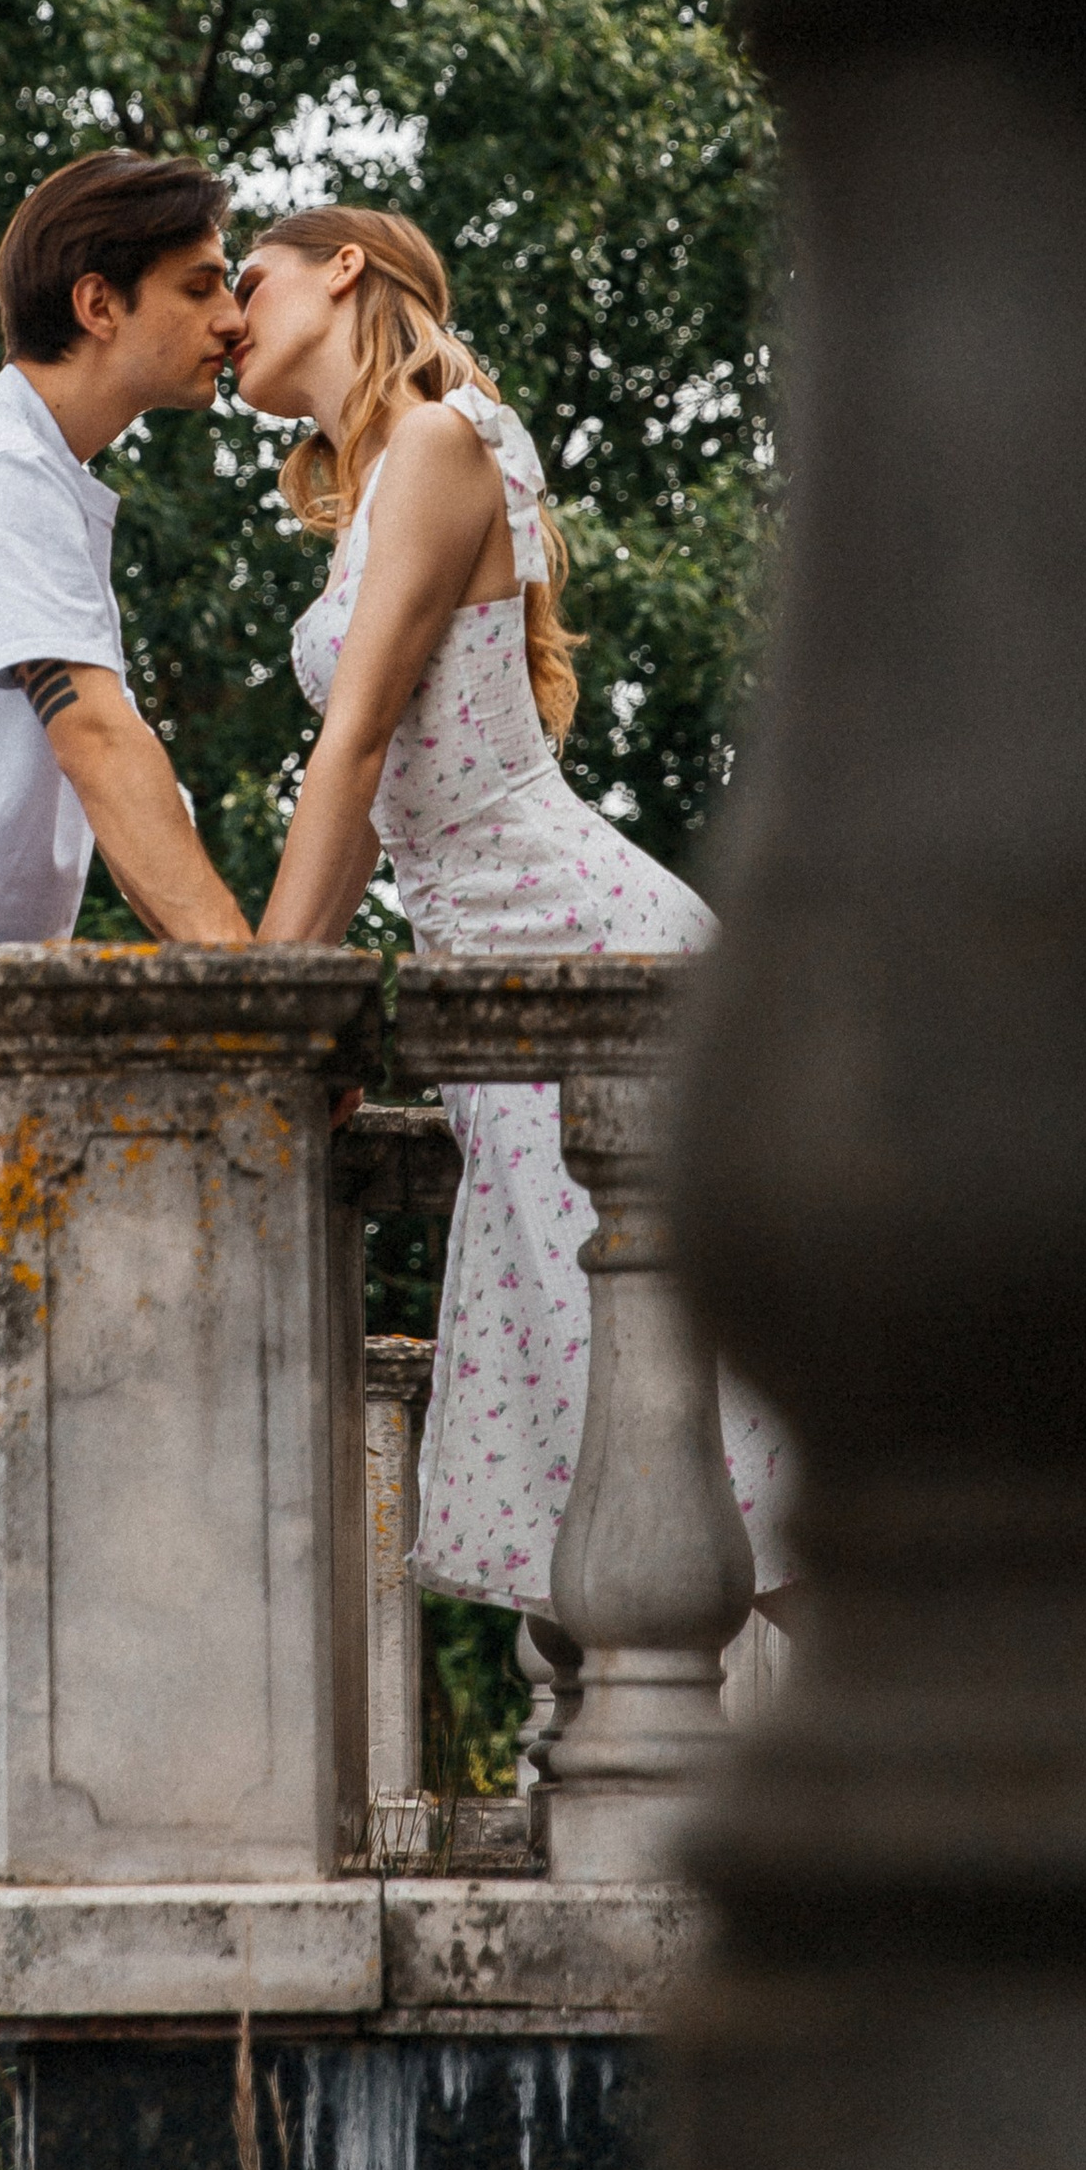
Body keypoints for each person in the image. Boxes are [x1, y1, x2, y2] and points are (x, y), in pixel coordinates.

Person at [235, 202, 789, 1628]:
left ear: (343, 267)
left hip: (579, 953)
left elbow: (352, 750)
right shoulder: (381, 483)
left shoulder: (437, 439)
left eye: (249, 275)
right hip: (497, 983)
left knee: (729, 1450)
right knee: (633, 1424)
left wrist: (263, 1016)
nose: (230, 310)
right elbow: (373, 792)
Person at [0, 150, 252, 1868]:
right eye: (206, 284)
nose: (235, 314)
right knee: (118, 1304)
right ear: (99, 299)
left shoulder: (44, 478)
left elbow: (131, 754)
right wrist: (256, 995)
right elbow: (97, 738)